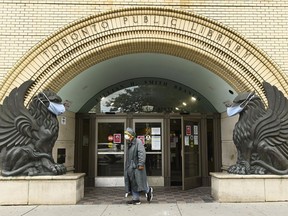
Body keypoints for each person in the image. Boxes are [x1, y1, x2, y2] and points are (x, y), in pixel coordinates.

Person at [124, 127, 153, 205]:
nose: (126, 136)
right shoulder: (129, 143)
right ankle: (136, 199)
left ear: (131, 135)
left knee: (139, 182)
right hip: (130, 167)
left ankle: (148, 190)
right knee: (133, 183)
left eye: (127, 134)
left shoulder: (138, 142)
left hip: (136, 167)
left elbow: (141, 153)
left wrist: (141, 164)